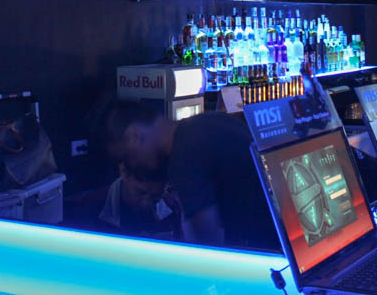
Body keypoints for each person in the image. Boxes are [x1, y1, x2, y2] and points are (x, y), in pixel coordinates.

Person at [103, 101, 278, 250]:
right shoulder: (210, 121)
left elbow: (206, 246)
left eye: (127, 158)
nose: (133, 167)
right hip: (281, 243)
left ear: (134, 136)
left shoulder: (184, 158)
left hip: (262, 252)